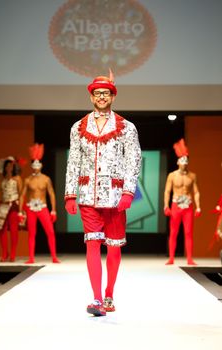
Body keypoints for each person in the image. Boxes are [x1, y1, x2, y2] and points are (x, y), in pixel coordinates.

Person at [64, 70, 142, 316]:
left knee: (114, 246)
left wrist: (129, 191)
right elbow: (73, 161)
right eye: (97, 93)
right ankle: (96, 299)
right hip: (88, 195)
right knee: (92, 244)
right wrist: (70, 194)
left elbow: (134, 160)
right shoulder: (78, 127)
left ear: (112, 96)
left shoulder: (126, 128)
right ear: (91, 97)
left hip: (116, 196)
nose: (101, 97)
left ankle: (109, 293)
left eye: (105, 93)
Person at [18, 143, 60, 264]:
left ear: (41, 165)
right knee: (32, 233)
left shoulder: (46, 179)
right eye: (34, 164)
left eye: (38, 164)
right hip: (31, 207)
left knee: (50, 232)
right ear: (32, 166)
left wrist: (53, 210)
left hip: (42, 207)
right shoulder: (27, 180)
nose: (36, 167)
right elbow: (22, 196)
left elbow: (51, 194)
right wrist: (20, 211)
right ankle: (31, 258)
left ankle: (54, 257)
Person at [164, 139, 201, 265]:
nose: (184, 163)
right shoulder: (172, 175)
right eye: (182, 160)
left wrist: (198, 207)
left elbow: (196, 192)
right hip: (176, 204)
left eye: (186, 161)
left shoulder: (192, 176)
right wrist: (166, 206)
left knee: (189, 232)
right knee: (174, 232)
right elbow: (167, 191)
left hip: (188, 204)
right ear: (178, 162)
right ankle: (171, 258)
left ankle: (190, 258)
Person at [0, 157, 23, 262]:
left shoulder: (18, 178)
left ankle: (13, 254)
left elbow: (21, 195)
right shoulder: (1, 178)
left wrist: (20, 211)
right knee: (1, 230)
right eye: (7, 165)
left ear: (13, 167)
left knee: (14, 230)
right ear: (4, 167)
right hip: (3, 205)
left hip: (13, 205)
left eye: (11, 165)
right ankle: (4, 253)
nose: (9, 167)